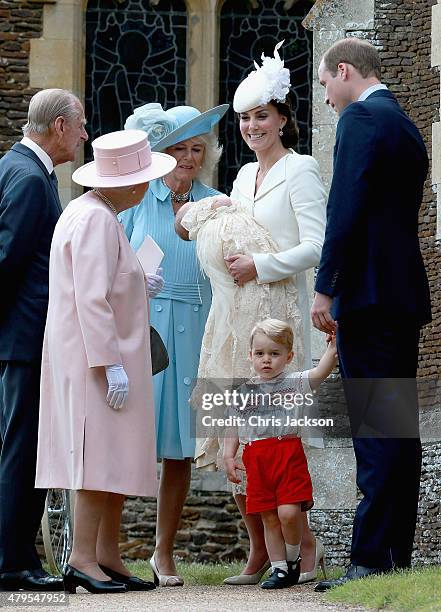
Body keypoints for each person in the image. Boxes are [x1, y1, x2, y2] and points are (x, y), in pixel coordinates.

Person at [177, 41, 327, 584]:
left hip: (274, 318)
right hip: (231, 315)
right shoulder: (241, 178)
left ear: (283, 118)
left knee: (276, 439)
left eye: (261, 115)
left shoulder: (302, 170)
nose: (251, 126)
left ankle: (301, 551)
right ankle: (258, 552)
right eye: (244, 118)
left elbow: (317, 245)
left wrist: (260, 265)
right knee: (231, 436)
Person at [310, 38, 432, 591]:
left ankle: (369, 560)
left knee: (376, 429)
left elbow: (345, 207)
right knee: (397, 428)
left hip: (368, 294)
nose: (326, 94)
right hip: (401, 295)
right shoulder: (405, 125)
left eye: (325, 82)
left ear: (344, 71)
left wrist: (325, 287)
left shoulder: (360, 119)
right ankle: (394, 554)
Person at [35, 129, 176, 594]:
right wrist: (108, 362)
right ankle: (81, 558)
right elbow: (91, 299)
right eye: (142, 179)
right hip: (96, 358)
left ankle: (107, 553)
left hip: (102, 354)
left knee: (112, 454)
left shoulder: (94, 212)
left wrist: (138, 282)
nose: (146, 187)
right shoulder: (95, 218)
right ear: (125, 183)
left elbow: (107, 281)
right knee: (97, 455)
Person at [121, 102, 228, 586]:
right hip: (146, 331)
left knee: (182, 450)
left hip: (200, 331)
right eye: (179, 148)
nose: (188, 157)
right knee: (126, 441)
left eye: (196, 148)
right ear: (162, 151)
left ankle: (163, 554)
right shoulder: (137, 201)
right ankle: (106, 549)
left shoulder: (217, 202)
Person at [0, 89, 88, 592]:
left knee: (17, 447)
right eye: (79, 127)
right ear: (58, 126)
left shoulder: (15, 166)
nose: (83, 136)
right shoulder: (32, 179)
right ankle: (13, 562)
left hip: (19, 338)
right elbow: (8, 260)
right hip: (25, 338)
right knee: (24, 451)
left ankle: (13, 555)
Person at [223, 319, 337, 589]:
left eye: (274, 354)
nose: (266, 360)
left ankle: (292, 558)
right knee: (269, 517)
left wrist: (333, 347)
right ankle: (279, 570)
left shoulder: (295, 383)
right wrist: (229, 455)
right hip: (256, 458)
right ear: (250, 355)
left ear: (288, 357)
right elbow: (233, 426)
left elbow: (321, 371)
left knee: (288, 513)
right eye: (260, 354)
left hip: (287, 455)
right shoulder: (242, 393)